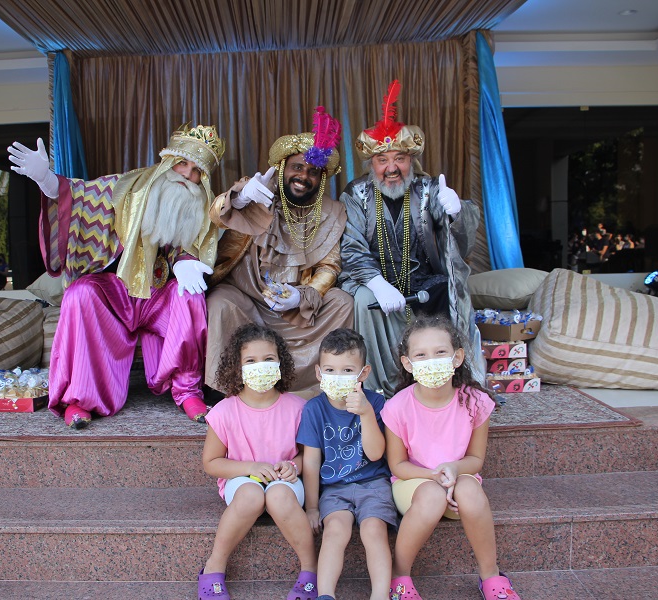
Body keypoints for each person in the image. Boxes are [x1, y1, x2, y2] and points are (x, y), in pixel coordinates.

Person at [8, 124, 225, 428]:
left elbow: (202, 239)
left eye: (196, 171)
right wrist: (46, 179)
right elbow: (78, 196)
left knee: (190, 296)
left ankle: (188, 392)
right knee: (80, 294)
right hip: (115, 294)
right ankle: (79, 399)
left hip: (157, 296)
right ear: (167, 161)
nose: (186, 175)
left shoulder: (199, 206)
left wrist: (185, 260)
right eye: (182, 163)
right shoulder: (123, 187)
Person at [339, 80, 484, 394]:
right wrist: (377, 284)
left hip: (424, 282)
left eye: (400, 159)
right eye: (382, 160)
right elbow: (351, 246)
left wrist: (458, 211)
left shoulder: (429, 189)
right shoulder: (356, 193)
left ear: (411, 161)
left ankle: (449, 383)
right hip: (373, 281)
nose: (391, 168)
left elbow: (457, 238)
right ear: (371, 164)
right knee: (363, 299)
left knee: (447, 289)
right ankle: (382, 389)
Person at [206, 106, 353, 398]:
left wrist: (304, 295)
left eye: (313, 172)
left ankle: (320, 387)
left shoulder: (332, 211)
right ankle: (228, 390)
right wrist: (240, 198)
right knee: (221, 301)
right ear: (284, 168)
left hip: (298, 309)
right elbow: (216, 216)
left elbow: (330, 266)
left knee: (342, 302)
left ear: (321, 178)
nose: (303, 176)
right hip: (250, 301)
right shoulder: (258, 191)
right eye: (297, 167)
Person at [381, 314, 521, 600]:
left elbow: (476, 459)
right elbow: (398, 465)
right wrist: (433, 476)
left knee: (470, 490)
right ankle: (400, 575)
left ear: (457, 357)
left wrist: (453, 469)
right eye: (421, 355)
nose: (431, 360)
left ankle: (491, 576)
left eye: (440, 352)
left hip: (458, 478)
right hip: (414, 483)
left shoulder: (475, 401)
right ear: (408, 363)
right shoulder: (397, 408)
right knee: (432, 495)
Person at [199, 323, 317, 600]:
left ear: (280, 363)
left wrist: (293, 466)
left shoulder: (298, 408)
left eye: (268, 359)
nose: (260, 366)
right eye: (250, 361)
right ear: (237, 367)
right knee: (251, 495)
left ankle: (311, 570)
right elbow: (212, 462)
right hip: (242, 481)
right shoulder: (224, 411)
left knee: (278, 496)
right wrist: (250, 468)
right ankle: (214, 566)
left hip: (285, 482)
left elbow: (308, 455)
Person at [296, 328, 395, 600]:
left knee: (373, 530)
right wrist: (312, 507)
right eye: (330, 370)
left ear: (363, 373)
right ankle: (326, 594)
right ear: (319, 373)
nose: (338, 376)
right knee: (335, 530)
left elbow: (376, 454)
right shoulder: (314, 409)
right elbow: (312, 461)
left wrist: (365, 413)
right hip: (334, 488)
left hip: (373, 484)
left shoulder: (376, 403)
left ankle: (380, 595)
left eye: (347, 370)